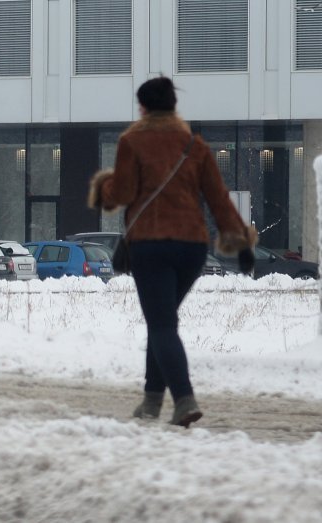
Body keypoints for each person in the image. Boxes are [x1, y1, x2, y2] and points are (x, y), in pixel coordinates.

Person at [87, 76, 257, 428]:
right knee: (162, 321)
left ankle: (183, 400)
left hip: (151, 244)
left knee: (162, 323)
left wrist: (104, 187)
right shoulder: (194, 145)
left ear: (144, 107)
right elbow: (218, 198)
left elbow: (122, 193)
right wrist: (240, 242)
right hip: (192, 248)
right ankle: (151, 401)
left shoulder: (132, 141)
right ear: (173, 106)